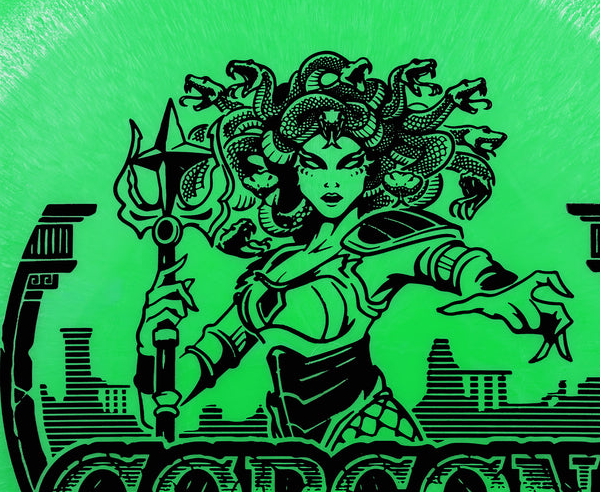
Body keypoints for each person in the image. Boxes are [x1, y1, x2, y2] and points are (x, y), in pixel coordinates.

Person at [115, 52, 572, 447]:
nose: (331, 180)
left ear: (371, 168)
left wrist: (500, 287)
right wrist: (148, 348)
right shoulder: (273, 267)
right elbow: (178, 386)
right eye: (315, 164)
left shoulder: (380, 237)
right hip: (292, 457)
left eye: (349, 164)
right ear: (293, 171)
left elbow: (447, 259)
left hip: (370, 437)